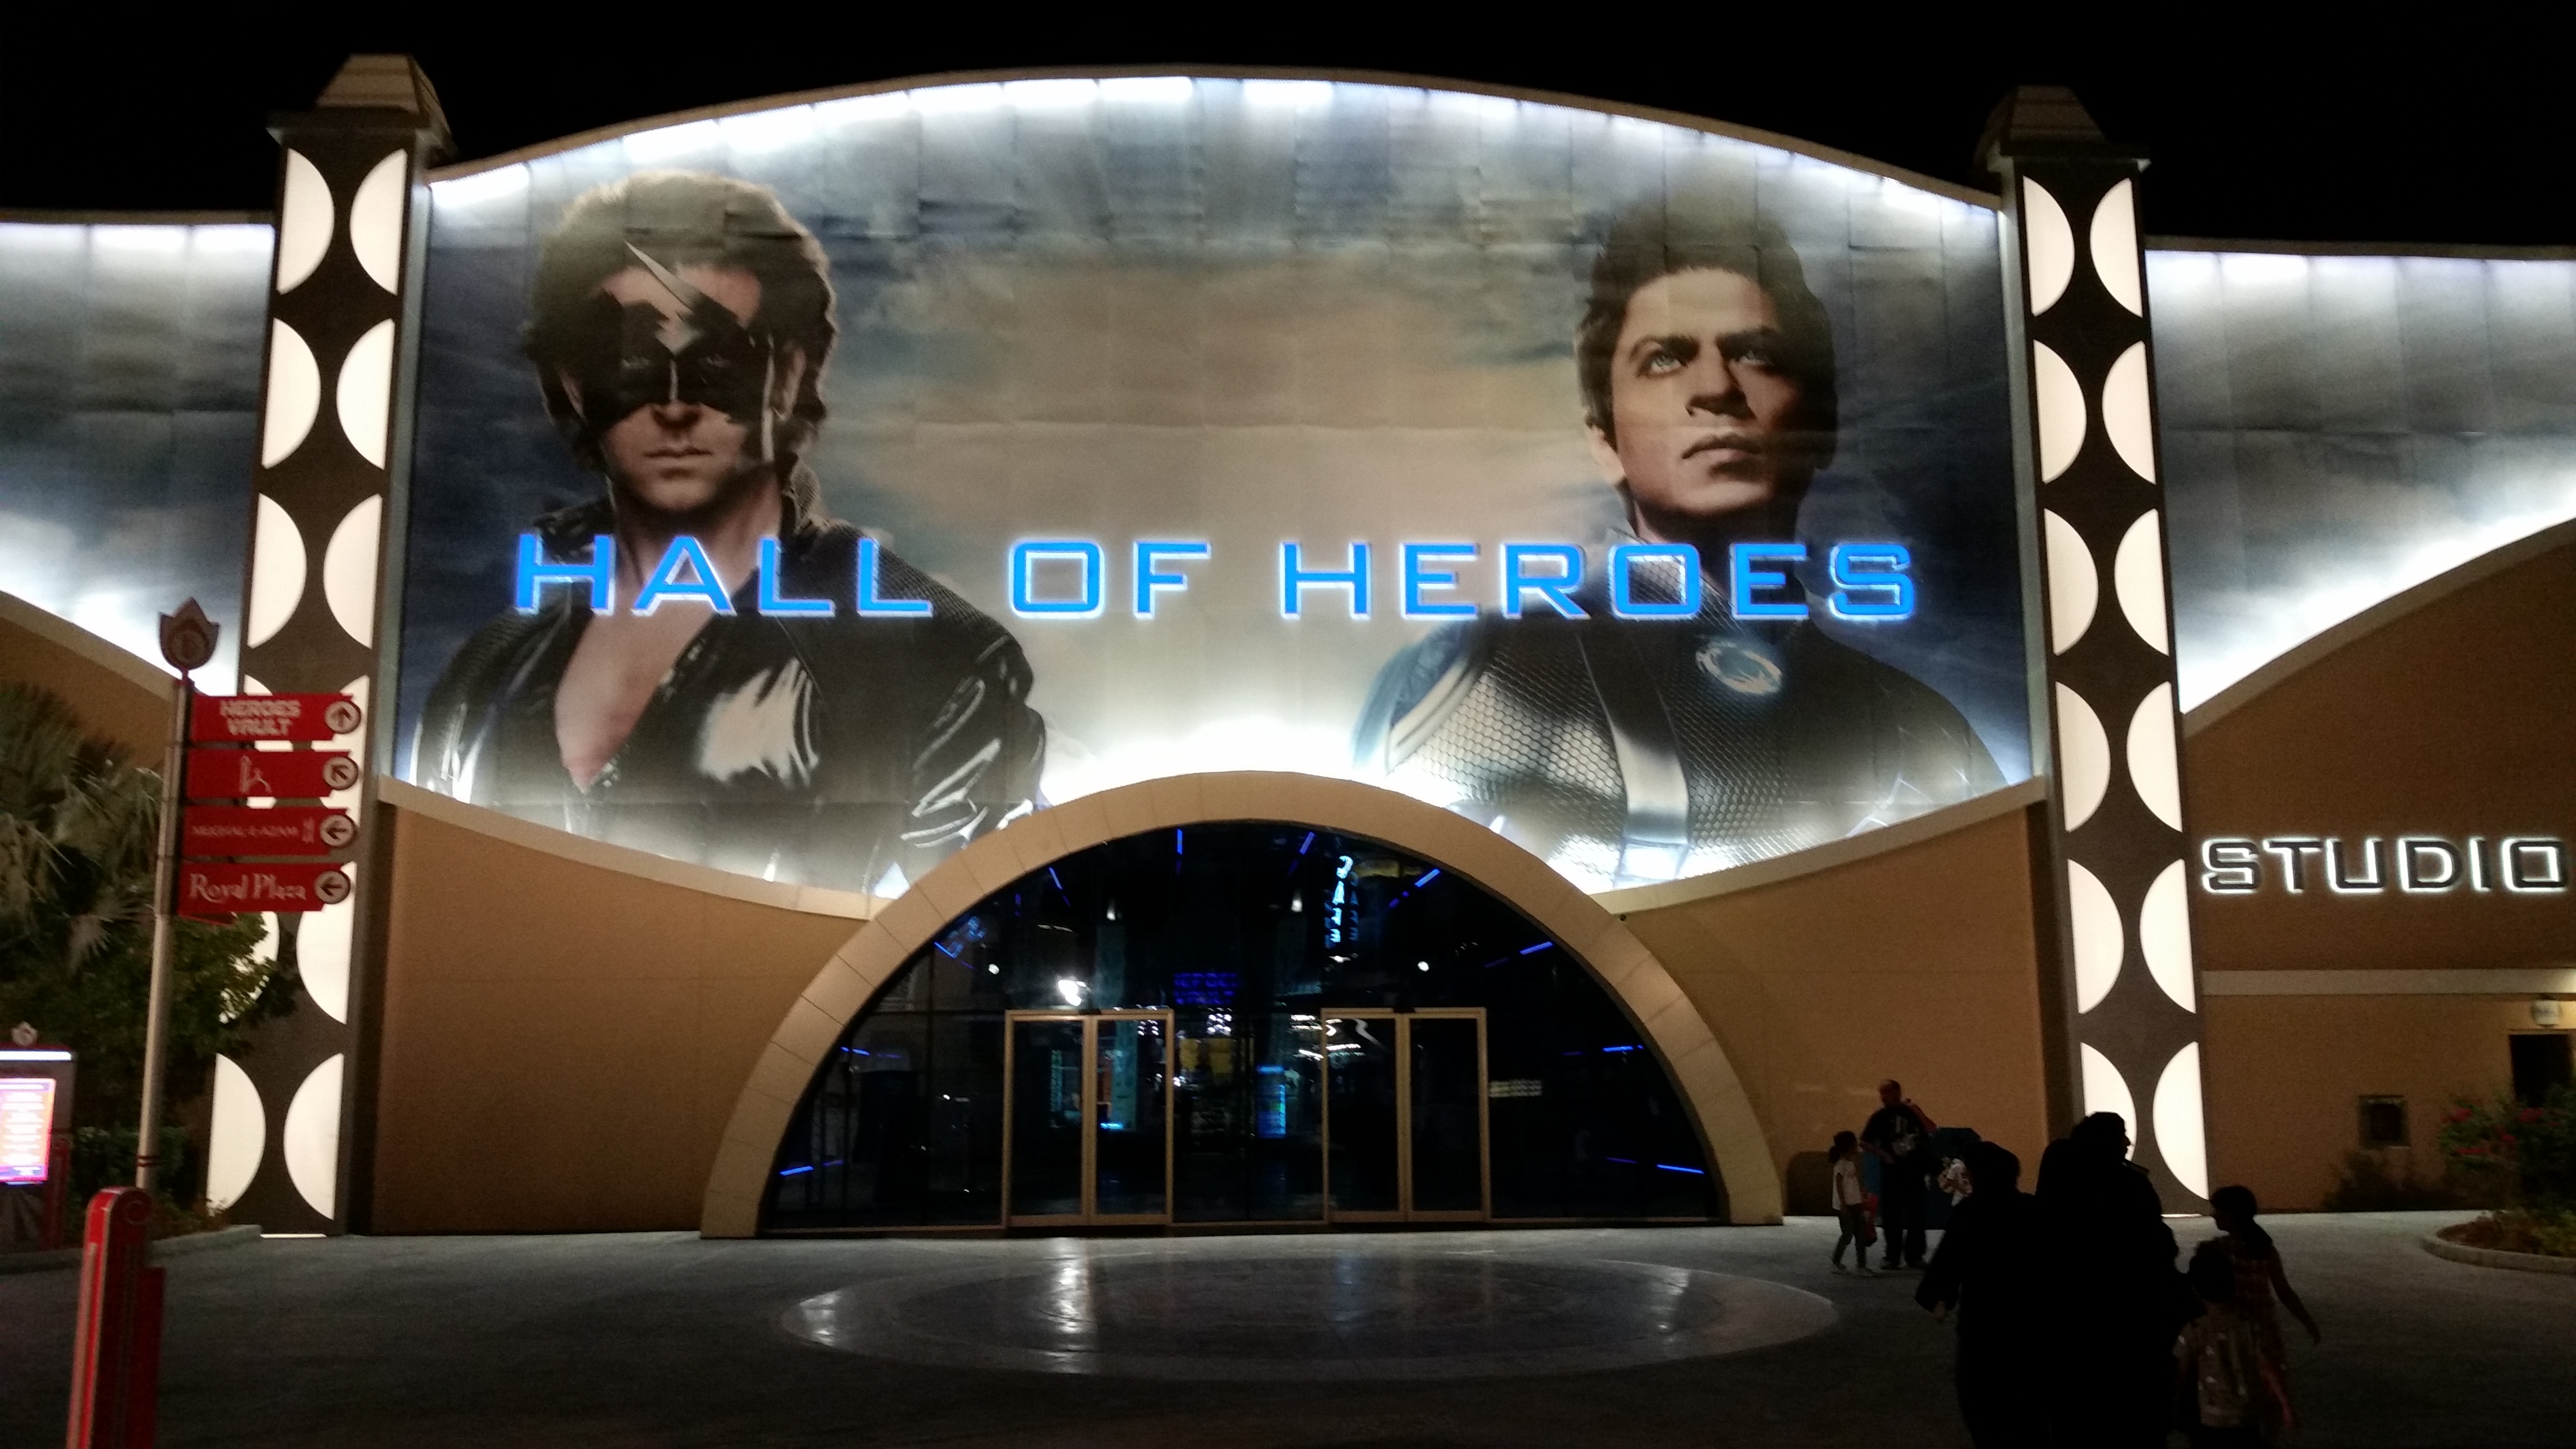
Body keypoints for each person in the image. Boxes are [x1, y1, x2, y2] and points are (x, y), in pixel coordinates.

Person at [412, 171, 1045, 895]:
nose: (675, 407)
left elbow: (976, 926)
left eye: (716, 365)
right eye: (633, 364)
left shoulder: (936, 657)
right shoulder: (490, 666)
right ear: (577, 386)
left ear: (788, 376)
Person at [1352, 193, 2000, 888]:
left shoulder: (1917, 726)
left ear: (1823, 421)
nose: (1716, 388)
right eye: (1665, 359)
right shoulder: (1476, 674)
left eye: (1756, 354)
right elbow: (1382, 897)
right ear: (1605, 441)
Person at [2037, 1112, 2190, 1448]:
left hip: (2074, 1321)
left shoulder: (2061, 1185)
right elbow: (2156, 1245)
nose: (2128, 1143)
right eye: (2121, 1136)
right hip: (2130, 1317)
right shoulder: (2130, 1185)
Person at [1919, 1141, 2046, 1448]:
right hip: (2030, 1326)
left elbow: (1949, 1260)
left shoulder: (1970, 1212)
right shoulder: (2032, 1209)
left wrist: (1940, 1296)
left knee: (1985, 1415)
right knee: (2030, 1416)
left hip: (1982, 1326)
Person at [2206, 1185, 2318, 1403]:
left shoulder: (2218, 1250)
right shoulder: (2264, 1248)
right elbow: (2283, 1290)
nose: (2213, 1215)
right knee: (2267, 1385)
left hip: (2232, 1328)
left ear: (2231, 1214)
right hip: (2263, 1328)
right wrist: (2307, 1322)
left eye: (2218, 1210)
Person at [2173, 1245, 2292, 1446]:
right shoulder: (2250, 1326)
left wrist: (2178, 1404)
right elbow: (2268, 1365)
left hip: (2212, 1419)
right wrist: (2285, 1404)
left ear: (2196, 1290)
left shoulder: (2194, 1330)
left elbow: (2184, 1373)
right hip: (2248, 1417)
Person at [1861, 1079, 1938, 1269]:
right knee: (1892, 1215)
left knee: (1917, 1215)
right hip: (1892, 1172)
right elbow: (1864, 1141)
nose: (1883, 1098)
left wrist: (1918, 1113)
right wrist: (1883, 1154)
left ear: (1897, 1092)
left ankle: (1915, 1255)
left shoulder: (1912, 1112)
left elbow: (1932, 1129)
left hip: (1916, 1170)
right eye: (1881, 1094)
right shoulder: (1880, 1116)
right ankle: (1892, 1256)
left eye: (1886, 1093)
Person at [1827, 1130, 1876, 1274]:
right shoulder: (1840, 1165)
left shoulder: (1851, 1163)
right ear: (1850, 1147)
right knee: (1847, 1235)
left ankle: (1861, 1266)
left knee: (1860, 1235)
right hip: (1847, 1206)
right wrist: (1843, 1204)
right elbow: (1839, 1185)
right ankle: (1836, 1261)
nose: (1857, 1148)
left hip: (1856, 1204)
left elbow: (1854, 1181)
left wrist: (1862, 1192)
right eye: (1855, 1145)